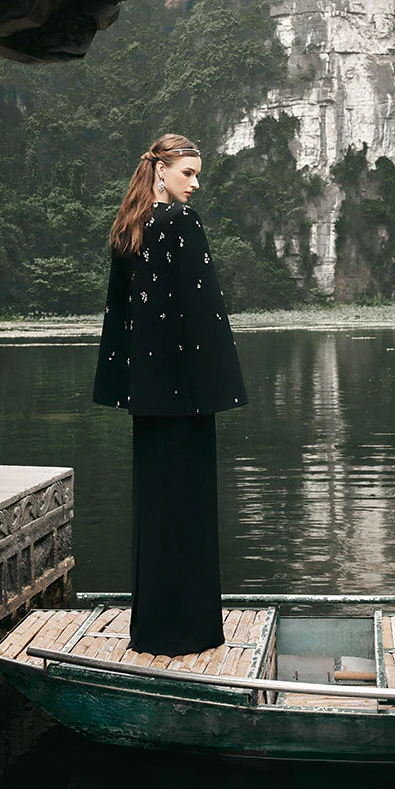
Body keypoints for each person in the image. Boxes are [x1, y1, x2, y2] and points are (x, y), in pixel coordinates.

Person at [93, 133, 248, 657]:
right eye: (188, 173)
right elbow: (203, 312)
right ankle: (191, 632)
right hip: (186, 397)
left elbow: (122, 317)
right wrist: (219, 388)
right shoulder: (182, 223)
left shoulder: (130, 226)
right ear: (161, 171)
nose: (195, 183)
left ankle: (152, 631)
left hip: (148, 397)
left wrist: (133, 386)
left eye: (197, 174)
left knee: (155, 511)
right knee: (190, 511)